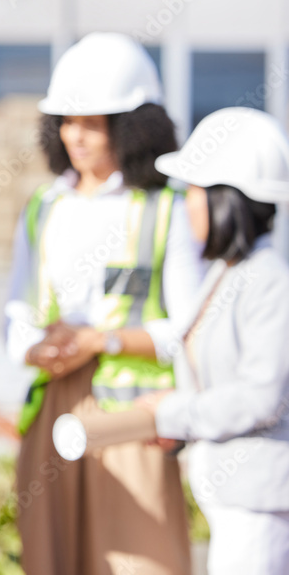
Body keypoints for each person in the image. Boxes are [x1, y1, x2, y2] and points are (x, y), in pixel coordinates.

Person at [6, 33, 204, 575]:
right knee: (52, 559)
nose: (76, 136)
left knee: (143, 561)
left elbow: (190, 329)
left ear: (132, 127)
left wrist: (103, 341)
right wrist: (35, 350)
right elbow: (17, 315)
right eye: (67, 122)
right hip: (52, 410)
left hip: (132, 419)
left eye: (92, 124)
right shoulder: (43, 207)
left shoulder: (169, 208)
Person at [143, 107, 289, 575]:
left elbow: (261, 395)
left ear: (228, 199)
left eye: (195, 194)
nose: (187, 207)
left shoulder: (269, 282)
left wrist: (174, 413)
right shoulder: (226, 277)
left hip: (260, 501)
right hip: (228, 498)